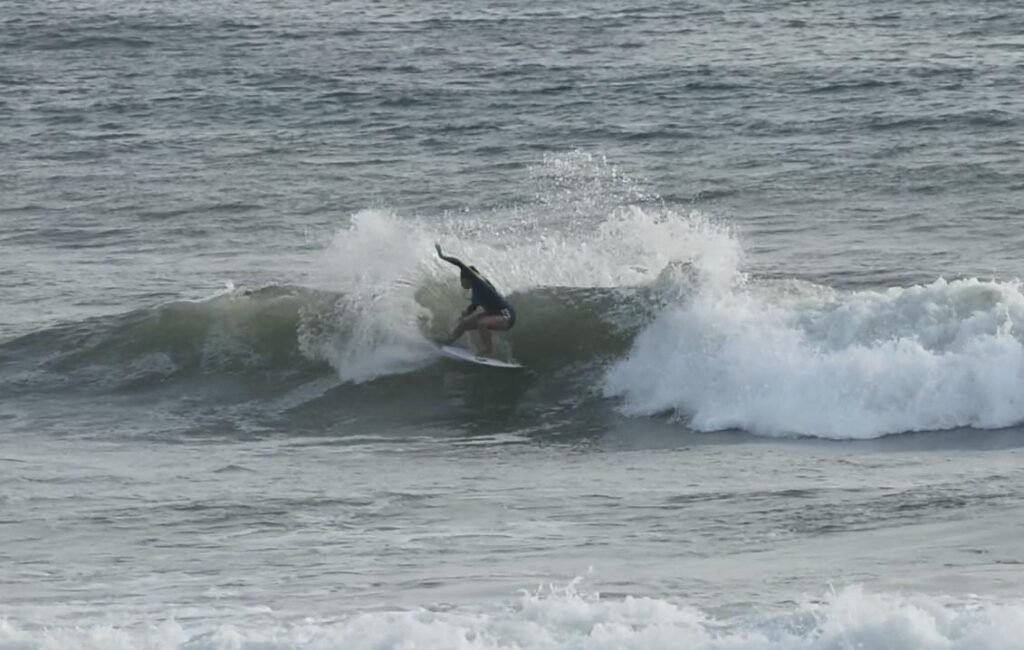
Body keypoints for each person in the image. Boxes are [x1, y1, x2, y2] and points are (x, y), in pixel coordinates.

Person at [435, 243, 516, 356]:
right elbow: (472, 308)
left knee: (482, 323)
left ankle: (489, 350)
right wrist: (464, 315)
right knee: (464, 325)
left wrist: (442, 256)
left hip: (507, 316)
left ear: (467, 278)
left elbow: (460, 264)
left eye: (462, 280)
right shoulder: (476, 294)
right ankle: (449, 340)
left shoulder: (480, 283)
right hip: (494, 314)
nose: (462, 283)